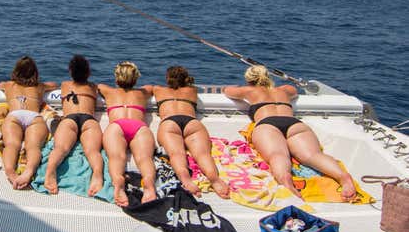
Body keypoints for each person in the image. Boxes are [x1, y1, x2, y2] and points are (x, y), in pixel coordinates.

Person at [223, 65, 356, 199]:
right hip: (293, 124)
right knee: (313, 155)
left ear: (249, 80)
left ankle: (287, 183)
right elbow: (295, 91)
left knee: (278, 155)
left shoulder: (249, 90)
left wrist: (242, 87)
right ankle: (344, 178)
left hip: (268, 124)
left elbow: (228, 91)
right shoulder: (285, 90)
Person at [152, 66, 230, 198]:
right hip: (191, 122)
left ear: (167, 78)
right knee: (203, 154)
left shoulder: (158, 89)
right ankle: (215, 181)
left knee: (176, 154)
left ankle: (186, 181)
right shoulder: (192, 90)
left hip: (170, 122)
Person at [43, 55, 104, 196]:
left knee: (61, 149)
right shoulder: (93, 86)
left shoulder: (65, 85)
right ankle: (97, 175)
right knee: (92, 152)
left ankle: (50, 172)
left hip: (69, 120)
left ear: (70, 72)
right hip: (88, 120)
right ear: (88, 72)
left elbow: (51, 85)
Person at [98, 62, 156, 206]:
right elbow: (152, 87)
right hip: (139, 127)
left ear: (117, 79)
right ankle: (149, 186)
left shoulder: (108, 91)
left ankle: (118, 185)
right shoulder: (142, 92)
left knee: (117, 157)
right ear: (136, 79)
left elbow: (97, 86)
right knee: (144, 158)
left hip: (117, 127)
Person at [0, 56, 57, 190]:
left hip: (14, 116)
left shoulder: (8, 85)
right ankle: (29, 171)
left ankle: (11, 173)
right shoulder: (40, 86)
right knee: (33, 147)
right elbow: (54, 84)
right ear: (35, 73)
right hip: (34, 117)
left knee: (12, 145)